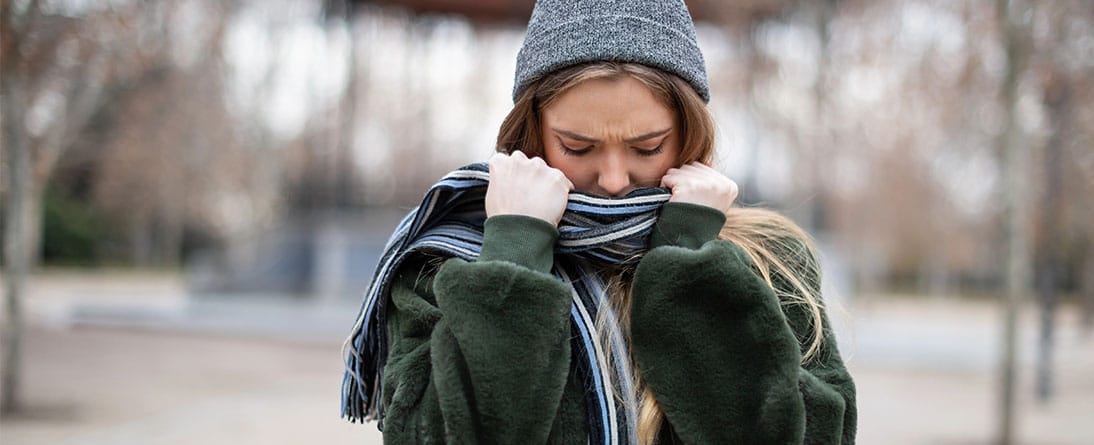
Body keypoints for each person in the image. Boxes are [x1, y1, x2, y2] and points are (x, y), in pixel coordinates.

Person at [342, 0, 857, 443]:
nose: (613, 178)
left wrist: (690, 263)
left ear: (688, 131)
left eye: (647, 147)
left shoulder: (768, 257)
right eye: (577, 146)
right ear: (532, 132)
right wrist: (514, 259)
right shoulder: (452, 260)